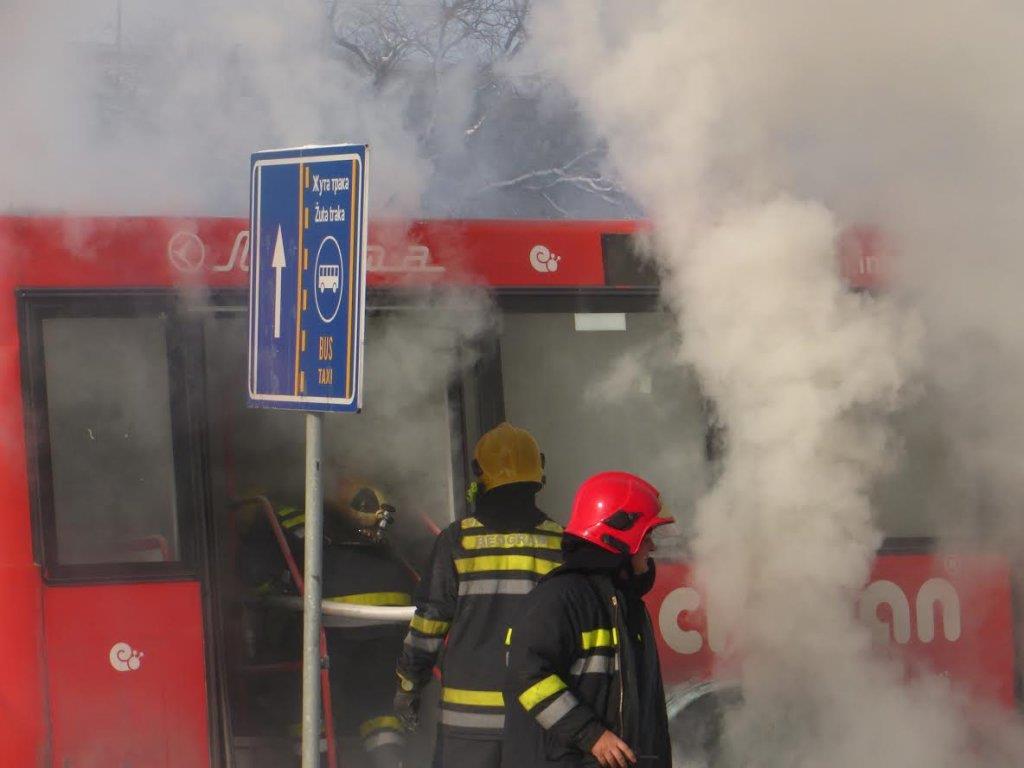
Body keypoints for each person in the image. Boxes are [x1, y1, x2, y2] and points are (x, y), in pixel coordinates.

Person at [394, 422, 563, 767]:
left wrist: (409, 686)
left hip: (466, 727)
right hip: (538, 719)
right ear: (538, 477)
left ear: (480, 477)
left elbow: (429, 625)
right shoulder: (561, 543)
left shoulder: (458, 542)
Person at [237, 482, 416, 768]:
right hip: (390, 616)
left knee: (303, 695)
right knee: (376, 702)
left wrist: (272, 592)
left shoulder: (269, 513)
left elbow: (255, 575)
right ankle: (391, 763)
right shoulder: (363, 510)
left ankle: (316, 760)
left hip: (333, 617)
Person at [502, 471, 674, 768]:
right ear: (619, 535)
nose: (652, 547)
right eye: (647, 536)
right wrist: (590, 734)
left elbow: (650, 712)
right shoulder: (560, 599)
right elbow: (526, 673)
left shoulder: (629, 607)